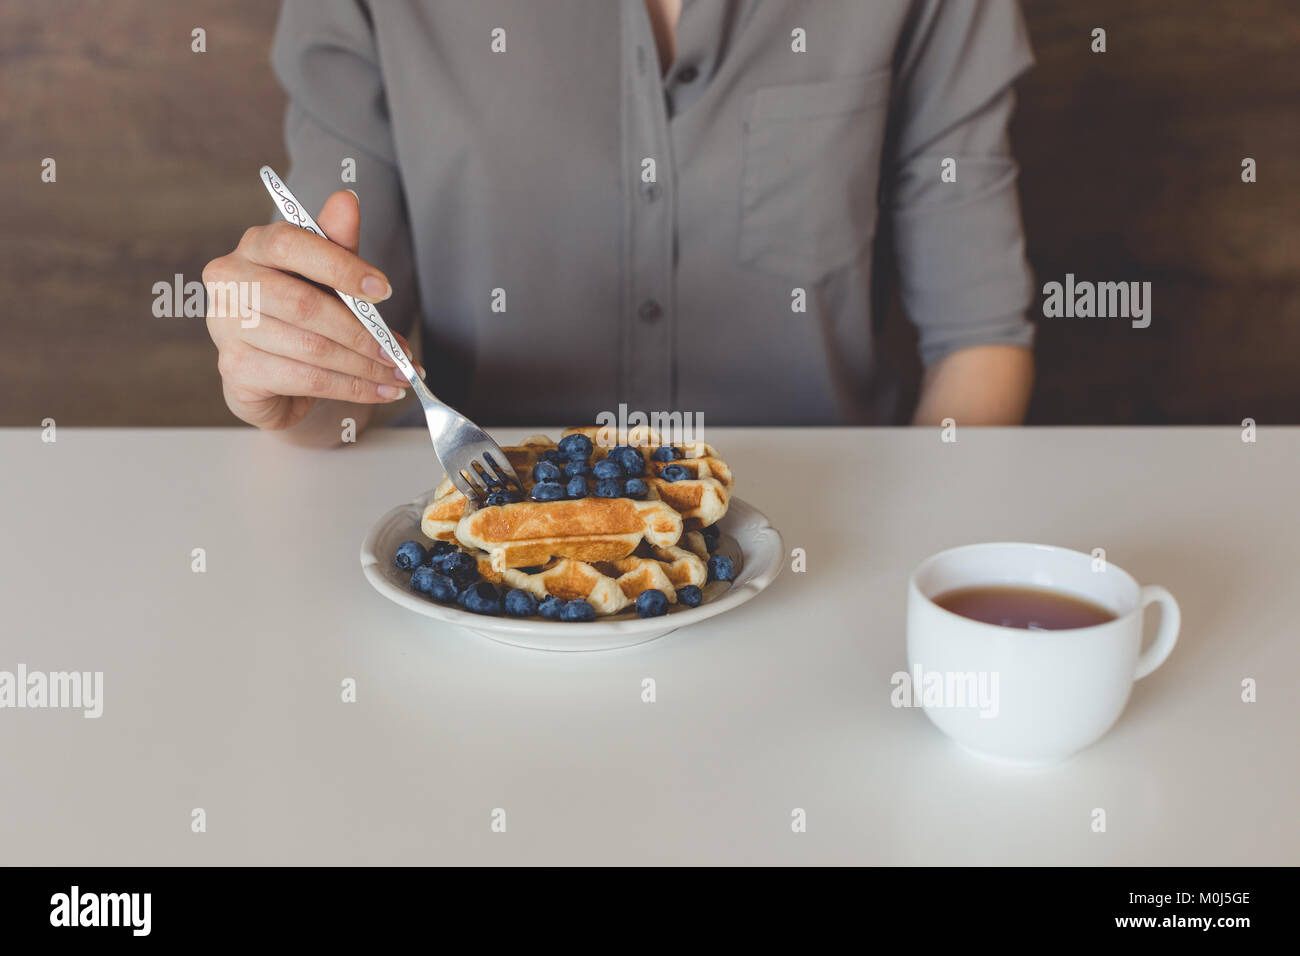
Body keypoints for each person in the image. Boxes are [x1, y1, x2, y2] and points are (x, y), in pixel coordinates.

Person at [205, 0, 1036, 447]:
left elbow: (980, 338)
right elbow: (345, 369)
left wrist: (914, 572)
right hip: (497, 575)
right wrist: (285, 366)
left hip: (827, 560)